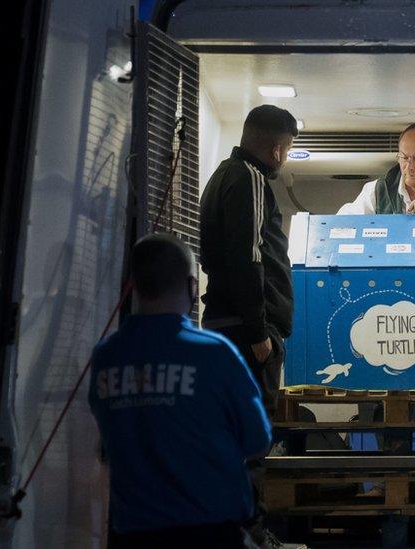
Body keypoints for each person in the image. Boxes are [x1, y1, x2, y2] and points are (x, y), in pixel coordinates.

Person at [88, 233, 272, 549]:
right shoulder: (214, 354)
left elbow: (105, 441)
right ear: (191, 286)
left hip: (131, 533)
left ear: (133, 285)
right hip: (209, 531)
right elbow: (258, 441)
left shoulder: (106, 357)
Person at [199, 104, 299, 417]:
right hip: (249, 331)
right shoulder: (250, 178)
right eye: (287, 150)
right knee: (254, 430)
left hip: (222, 323)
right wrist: (259, 335)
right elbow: (249, 257)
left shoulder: (220, 177)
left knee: (225, 422)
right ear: (277, 150)